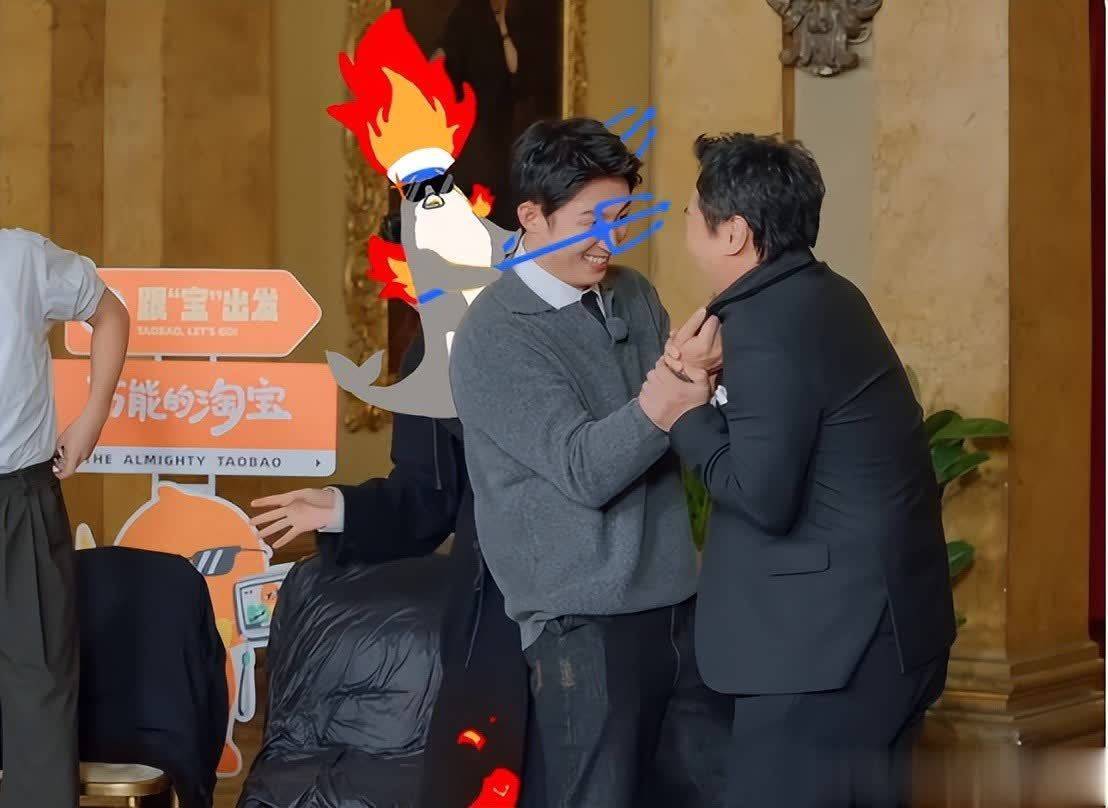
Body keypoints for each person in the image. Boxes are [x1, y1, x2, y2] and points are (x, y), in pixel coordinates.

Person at [650, 132, 957, 807]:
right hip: (885, 632)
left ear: (733, 233)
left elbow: (761, 495)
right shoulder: (825, 293)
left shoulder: (763, 321)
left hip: (824, 653)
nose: (686, 221)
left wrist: (684, 413)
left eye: (692, 211)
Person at [448, 118, 732, 808]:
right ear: (531, 217)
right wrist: (675, 390)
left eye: (622, 217)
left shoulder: (631, 293)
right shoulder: (495, 334)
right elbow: (584, 469)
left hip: (677, 603)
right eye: (591, 221)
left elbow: (684, 416)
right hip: (581, 624)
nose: (611, 240)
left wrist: (708, 387)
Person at [250, 332, 533, 808]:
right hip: (499, 614)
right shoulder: (441, 343)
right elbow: (428, 497)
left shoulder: (617, 314)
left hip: (612, 607)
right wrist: (341, 508)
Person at [0, 228, 129, 807]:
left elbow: (110, 312)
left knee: (40, 685)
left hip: (20, 497)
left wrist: (93, 416)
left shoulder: (21, 257)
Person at [434, 0, 519, 228]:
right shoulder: (465, 15)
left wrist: (502, 24)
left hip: (497, 119)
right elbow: (443, 55)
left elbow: (513, 68)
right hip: (471, 117)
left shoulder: (506, 21)